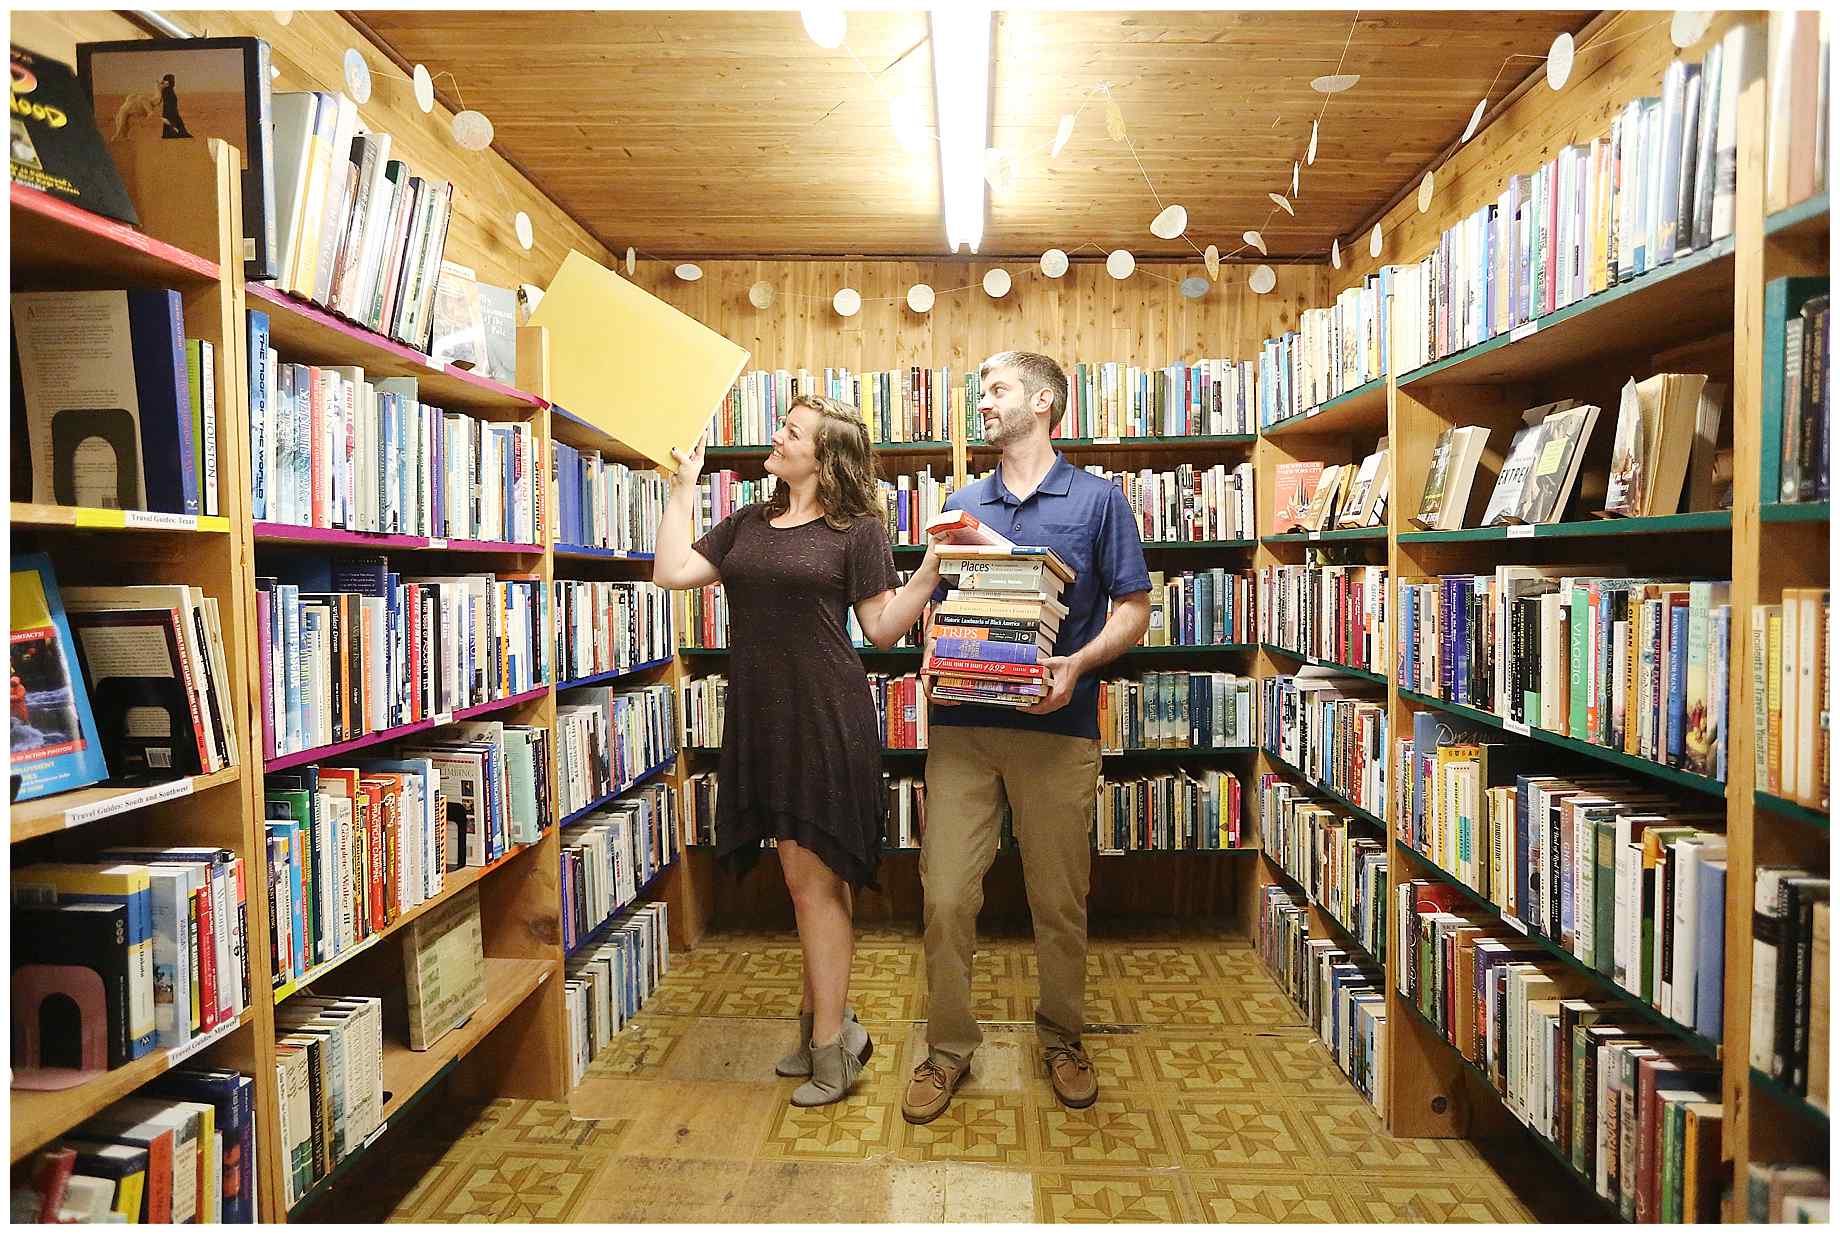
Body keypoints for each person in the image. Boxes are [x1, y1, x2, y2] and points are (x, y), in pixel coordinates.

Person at [653, 393, 943, 1107]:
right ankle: (830, 1028)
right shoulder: (749, 520)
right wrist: (684, 488)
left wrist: (932, 570)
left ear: (825, 456)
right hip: (761, 715)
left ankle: (828, 1051)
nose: (777, 437)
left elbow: (879, 629)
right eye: (782, 425)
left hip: (821, 715)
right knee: (809, 886)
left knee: (814, 885)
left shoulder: (858, 530)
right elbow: (670, 572)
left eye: (792, 431)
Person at [902, 351, 1150, 1125]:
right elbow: (936, 603)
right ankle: (947, 1049)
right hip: (962, 731)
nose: (984, 403)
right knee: (944, 896)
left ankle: (1063, 1037)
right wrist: (934, 649)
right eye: (981, 391)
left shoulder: (1099, 501)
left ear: (1043, 402)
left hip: (1058, 729)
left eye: (997, 390)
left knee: (1058, 900)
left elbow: (1134, 608)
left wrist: (1076, 663)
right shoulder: (960, 502)